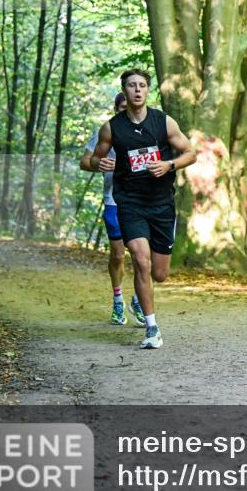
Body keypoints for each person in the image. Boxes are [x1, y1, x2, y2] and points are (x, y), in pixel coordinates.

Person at [90, 69, 196, 349]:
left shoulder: (164, 122)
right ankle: (151, 328)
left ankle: (142, 293)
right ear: (124, 91)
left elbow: (190, 153)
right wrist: (97, 164)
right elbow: (89, 159)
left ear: (148, 90)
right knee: (140, 259)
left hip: (161, 204)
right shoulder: (112, 128)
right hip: (129, 202)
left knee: (159, 273)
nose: (137, 90)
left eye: (142, 85)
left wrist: (168, 164)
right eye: (131, 86)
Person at [79, 93, 146, 327]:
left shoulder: (147, 131)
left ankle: (138, 299)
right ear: (116, 109)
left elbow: (158, 161)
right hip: (114, 200)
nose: (125, 111)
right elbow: (85, 162)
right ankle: (118, 299)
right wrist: (99, 164)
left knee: (141, 256)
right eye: (121, 108)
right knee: (118, 255)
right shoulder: (105, 132)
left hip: (141, 200)